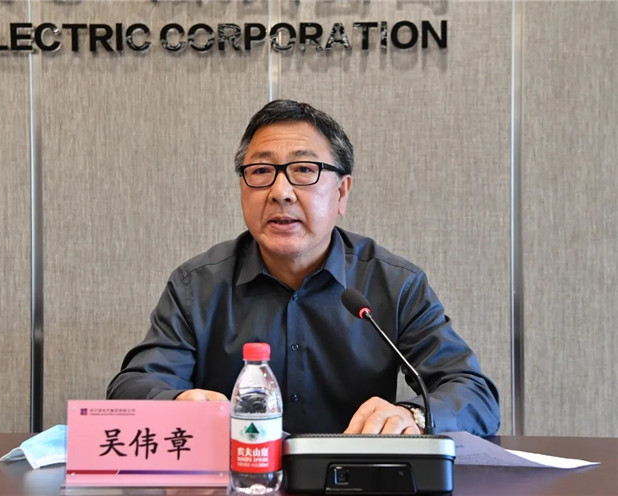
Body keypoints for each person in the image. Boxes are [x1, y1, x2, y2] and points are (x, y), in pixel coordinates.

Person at [107, 99, 500, 436]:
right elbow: (134, 386)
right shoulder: (197, 286)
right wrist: (176, 402)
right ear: (243, 188)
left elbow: (474, 394)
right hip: (239, 481)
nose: (280, 192)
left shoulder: (394, 284)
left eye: (304, 170)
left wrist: (412, 415)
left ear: (342, 192)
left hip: (355, 483)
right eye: (261, 171)